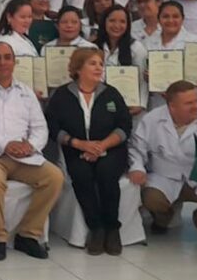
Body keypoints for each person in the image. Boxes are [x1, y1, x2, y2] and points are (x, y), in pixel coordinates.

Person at [0, 42, 62, 259]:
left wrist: (30, 146)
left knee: (54, 177)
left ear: (15, 62)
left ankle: (28, 234)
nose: (3, 62)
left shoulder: (25, 92)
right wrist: (5, 144)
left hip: (24, 157)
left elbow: (40, 127)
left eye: (7, 57)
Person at [46, 48, 132, 255]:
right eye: (92, 63)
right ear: (78, 68)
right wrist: (78, 144)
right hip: (76, 149)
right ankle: (96, 228)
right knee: (82, 175)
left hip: (110, 149)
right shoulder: (62, 95)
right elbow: (53, 128)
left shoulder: (111, 94)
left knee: (106, 173)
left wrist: (101, 146)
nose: (98, 68)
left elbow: (124, 126)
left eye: (100, 64)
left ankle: (112, 228)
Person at [128, 81, 197, 242]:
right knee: (152, 199)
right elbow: (136, 148)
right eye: (189, 103)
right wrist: (137, 168)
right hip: (163, 176)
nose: (195, 106)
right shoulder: (151, 120)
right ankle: (162, 219)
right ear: (172, 106)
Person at [96, 5, 148, 116]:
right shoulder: (94, 47)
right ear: (104, 22)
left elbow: (142, 79)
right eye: (112, 21)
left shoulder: (136, 47)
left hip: (128, 106)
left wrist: (141, 104)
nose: (117, 26)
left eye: (122, 22)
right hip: (98, 103)